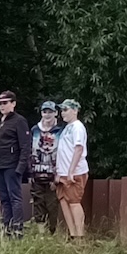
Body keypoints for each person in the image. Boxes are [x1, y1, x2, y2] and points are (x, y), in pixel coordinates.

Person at [0, 90, 33, 238]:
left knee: (15, 198)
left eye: (5, 103)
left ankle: (17, 229)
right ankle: (7, 227)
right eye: (0, 104)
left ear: (13, 103)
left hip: (12, 165)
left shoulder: (19, 121)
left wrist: (20, 167)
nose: (2, 106)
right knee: (4, 198)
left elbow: (25, 146)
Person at [55, 98, 89, 240]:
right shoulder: (67, 128)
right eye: (61, 110)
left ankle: (80, 235)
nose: (62, 113)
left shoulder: (77, 127)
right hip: (63, 172)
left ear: (75, 111)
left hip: (75, 172)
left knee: (74, 202)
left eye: (65, 110)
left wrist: (71, 171)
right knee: (64, 201)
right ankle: (72, 234)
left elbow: (79, 148)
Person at [29, 102, 61, 232]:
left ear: (55, 113)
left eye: (50, 112)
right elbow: (29, 151)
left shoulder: (60, 130)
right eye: (44, 112)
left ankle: (52, 232)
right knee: (38, 203)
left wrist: (58, 174)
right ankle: (41, 234)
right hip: (36, 173)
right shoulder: (34, 130)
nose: (47, 115)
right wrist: (29, 172)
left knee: (52, 204)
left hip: (53, 174)